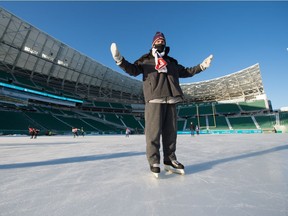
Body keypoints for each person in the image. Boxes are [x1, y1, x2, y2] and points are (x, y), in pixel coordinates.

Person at [110, 32, 213, 176]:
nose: (160, 41)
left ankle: (170, 160)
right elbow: (133, 70)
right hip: (154, 99)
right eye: (158, 40)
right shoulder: (145, 60)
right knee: (153, 133)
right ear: (152, 44)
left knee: (171, 134)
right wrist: (119, 60)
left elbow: (187, 72)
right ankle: (154, 161)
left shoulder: (171, 62)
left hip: (171, 99)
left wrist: (201, 66)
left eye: (162, 40)